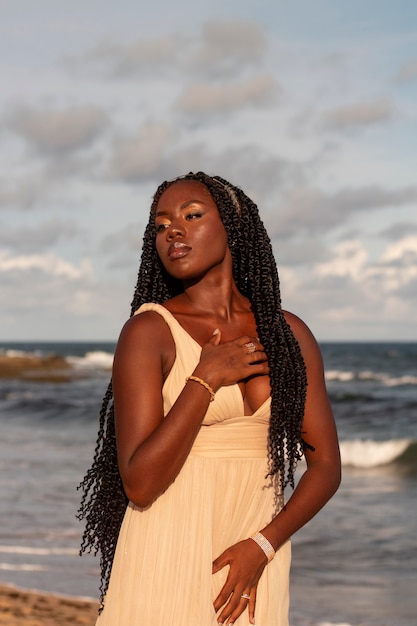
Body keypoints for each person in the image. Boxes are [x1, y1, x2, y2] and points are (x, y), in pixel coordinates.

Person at [78, 171, 341, 626]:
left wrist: (262, 546)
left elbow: (326, 467)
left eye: (191, 216)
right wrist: (204, 379)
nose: (172, 231)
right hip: (164, 554)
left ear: (233, 227)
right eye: (160, 225)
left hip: (255, 561)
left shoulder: (289, 335)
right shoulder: (149, 332)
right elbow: (140, 482)